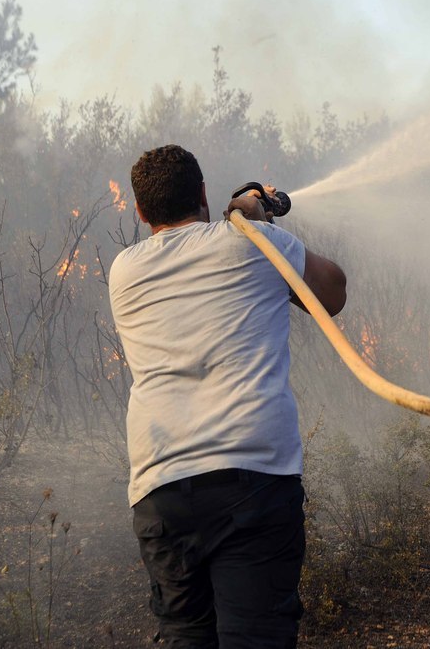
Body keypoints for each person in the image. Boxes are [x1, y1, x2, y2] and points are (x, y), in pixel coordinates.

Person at [107, 145, 346, 648]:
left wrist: (253, 219)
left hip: (162, 490)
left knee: (186, 636)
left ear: (140, 212)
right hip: (253, 483)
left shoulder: (123, 272)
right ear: (202, 194)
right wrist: (259, 219)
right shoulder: (253, 244)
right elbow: (334, 292)